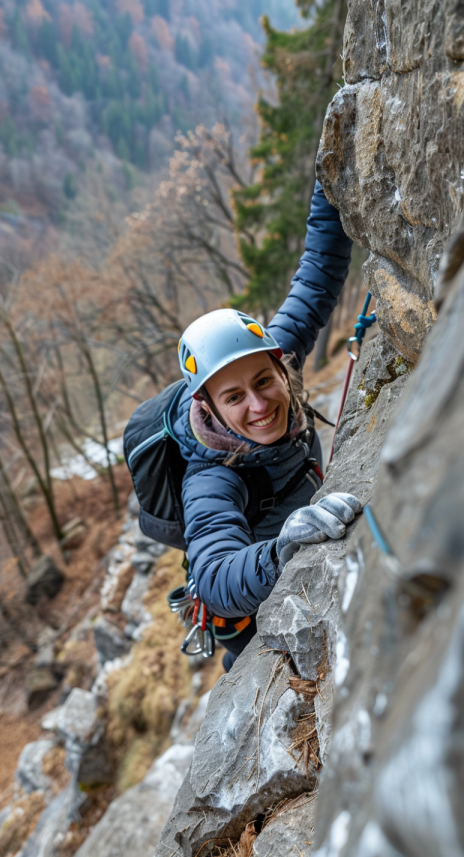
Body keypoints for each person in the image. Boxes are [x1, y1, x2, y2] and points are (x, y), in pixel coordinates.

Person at [172, 180, 361, 671]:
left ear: (281, 366)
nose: (259, 404)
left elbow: (316, 275)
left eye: (264, 381)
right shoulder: (211, 477)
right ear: (208, 407)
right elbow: (214, 576)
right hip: (259, 629)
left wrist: (329, 175)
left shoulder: (272, 356)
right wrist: (280, 550)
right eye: (234, 397)